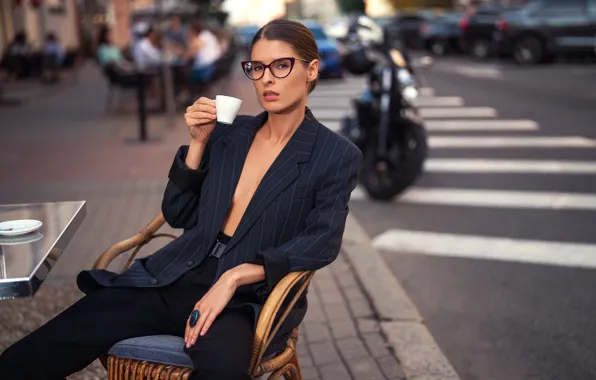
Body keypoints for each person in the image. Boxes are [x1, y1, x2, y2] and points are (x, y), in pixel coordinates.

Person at [0, 19, 363, 380]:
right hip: (176, 275)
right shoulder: (230, 135)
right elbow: (178, 213)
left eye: (281, 65)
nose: (266, 78)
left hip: (245, 299)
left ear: (311, 70)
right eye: (257, 67)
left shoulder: (334, 155)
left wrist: (237, 276)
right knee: (55, 341)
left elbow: (322, 241)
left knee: (223, 369)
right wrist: (198, 143)